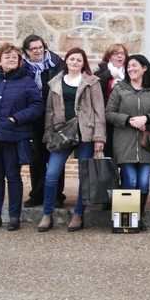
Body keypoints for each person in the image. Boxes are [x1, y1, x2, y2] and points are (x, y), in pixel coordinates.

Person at [0, 43, 43, 231]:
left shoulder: (27, 82)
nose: (12, 59)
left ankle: (14, 217)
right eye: (7, 56)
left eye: (15, 57)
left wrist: (16, 118)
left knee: (13, 177)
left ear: (20, 61)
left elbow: (37, 106)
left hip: (14, 137)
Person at [38, 48, 107, 232]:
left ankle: (78, 213)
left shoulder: (92, 82)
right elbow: (49, 111)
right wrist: (48, 133)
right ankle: (47, 213)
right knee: (52, 174)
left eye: (79, 60)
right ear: (66, 61)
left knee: (83, 175)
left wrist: (99, 137)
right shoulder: (54, 83)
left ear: (83, 63)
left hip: (85, 133)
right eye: (72, 59)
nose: (75, 62)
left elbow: (99, 111)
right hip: (62, 133)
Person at [106, 54, 150, 230]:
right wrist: (128, 120)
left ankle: (137, 217)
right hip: (124, 143)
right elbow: (109, 113)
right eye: (129, 66)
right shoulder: (120, 89)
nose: (131, 69)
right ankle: (129, 219)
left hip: (147, 144)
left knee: (144, 183)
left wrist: (147, 119)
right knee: (130, 181)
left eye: (135, 66)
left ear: (144, 68)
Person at [21, 34, 63, 209]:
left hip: (53, 116)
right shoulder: (22, 67)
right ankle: (37, 194)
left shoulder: (57, 63)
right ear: (27, 51)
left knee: (56, 155)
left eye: (40, 47)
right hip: (33, 117)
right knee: (36, 158)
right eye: (33, 49)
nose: (37, 51)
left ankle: (57, 196)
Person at [93, 43, 128, 158]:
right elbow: (96, 90)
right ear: (109, 57)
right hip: (106, 119)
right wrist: (109, 74)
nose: (119, 56)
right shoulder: (100, 73)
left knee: (124, 154)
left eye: (122, 53)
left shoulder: (130, 72)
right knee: (109, 154)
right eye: (115, 53)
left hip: (125, 119)